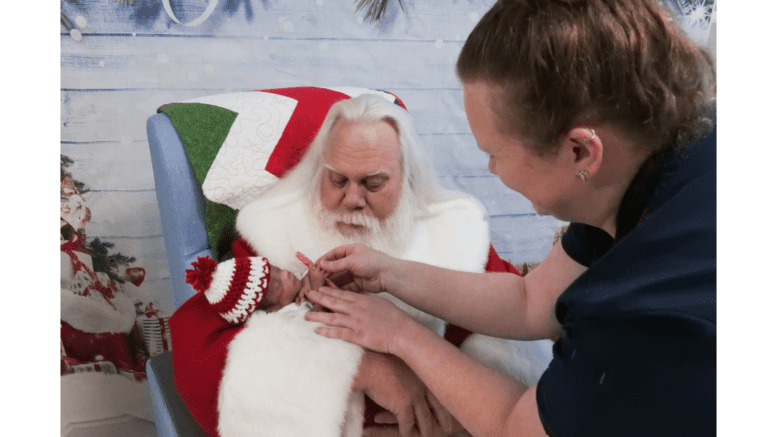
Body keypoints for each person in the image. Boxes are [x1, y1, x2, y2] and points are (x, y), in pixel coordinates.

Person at [305, 1, 716, 436]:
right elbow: (530, 300)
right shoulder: (643, 161)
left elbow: (516, 428)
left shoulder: (641, 319)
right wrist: (388, 272)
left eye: (494, 153)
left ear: (580, 152)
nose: (491, 170)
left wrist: (400, 335)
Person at [169, 93, 553, 437]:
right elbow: (198, 352)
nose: (352, 199)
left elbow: (521, 344)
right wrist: (365, 367)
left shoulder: (454, 236)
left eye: (373, 184)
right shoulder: (274, 236)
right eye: (337, 180)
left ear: (407, 179)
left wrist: (462, 417)